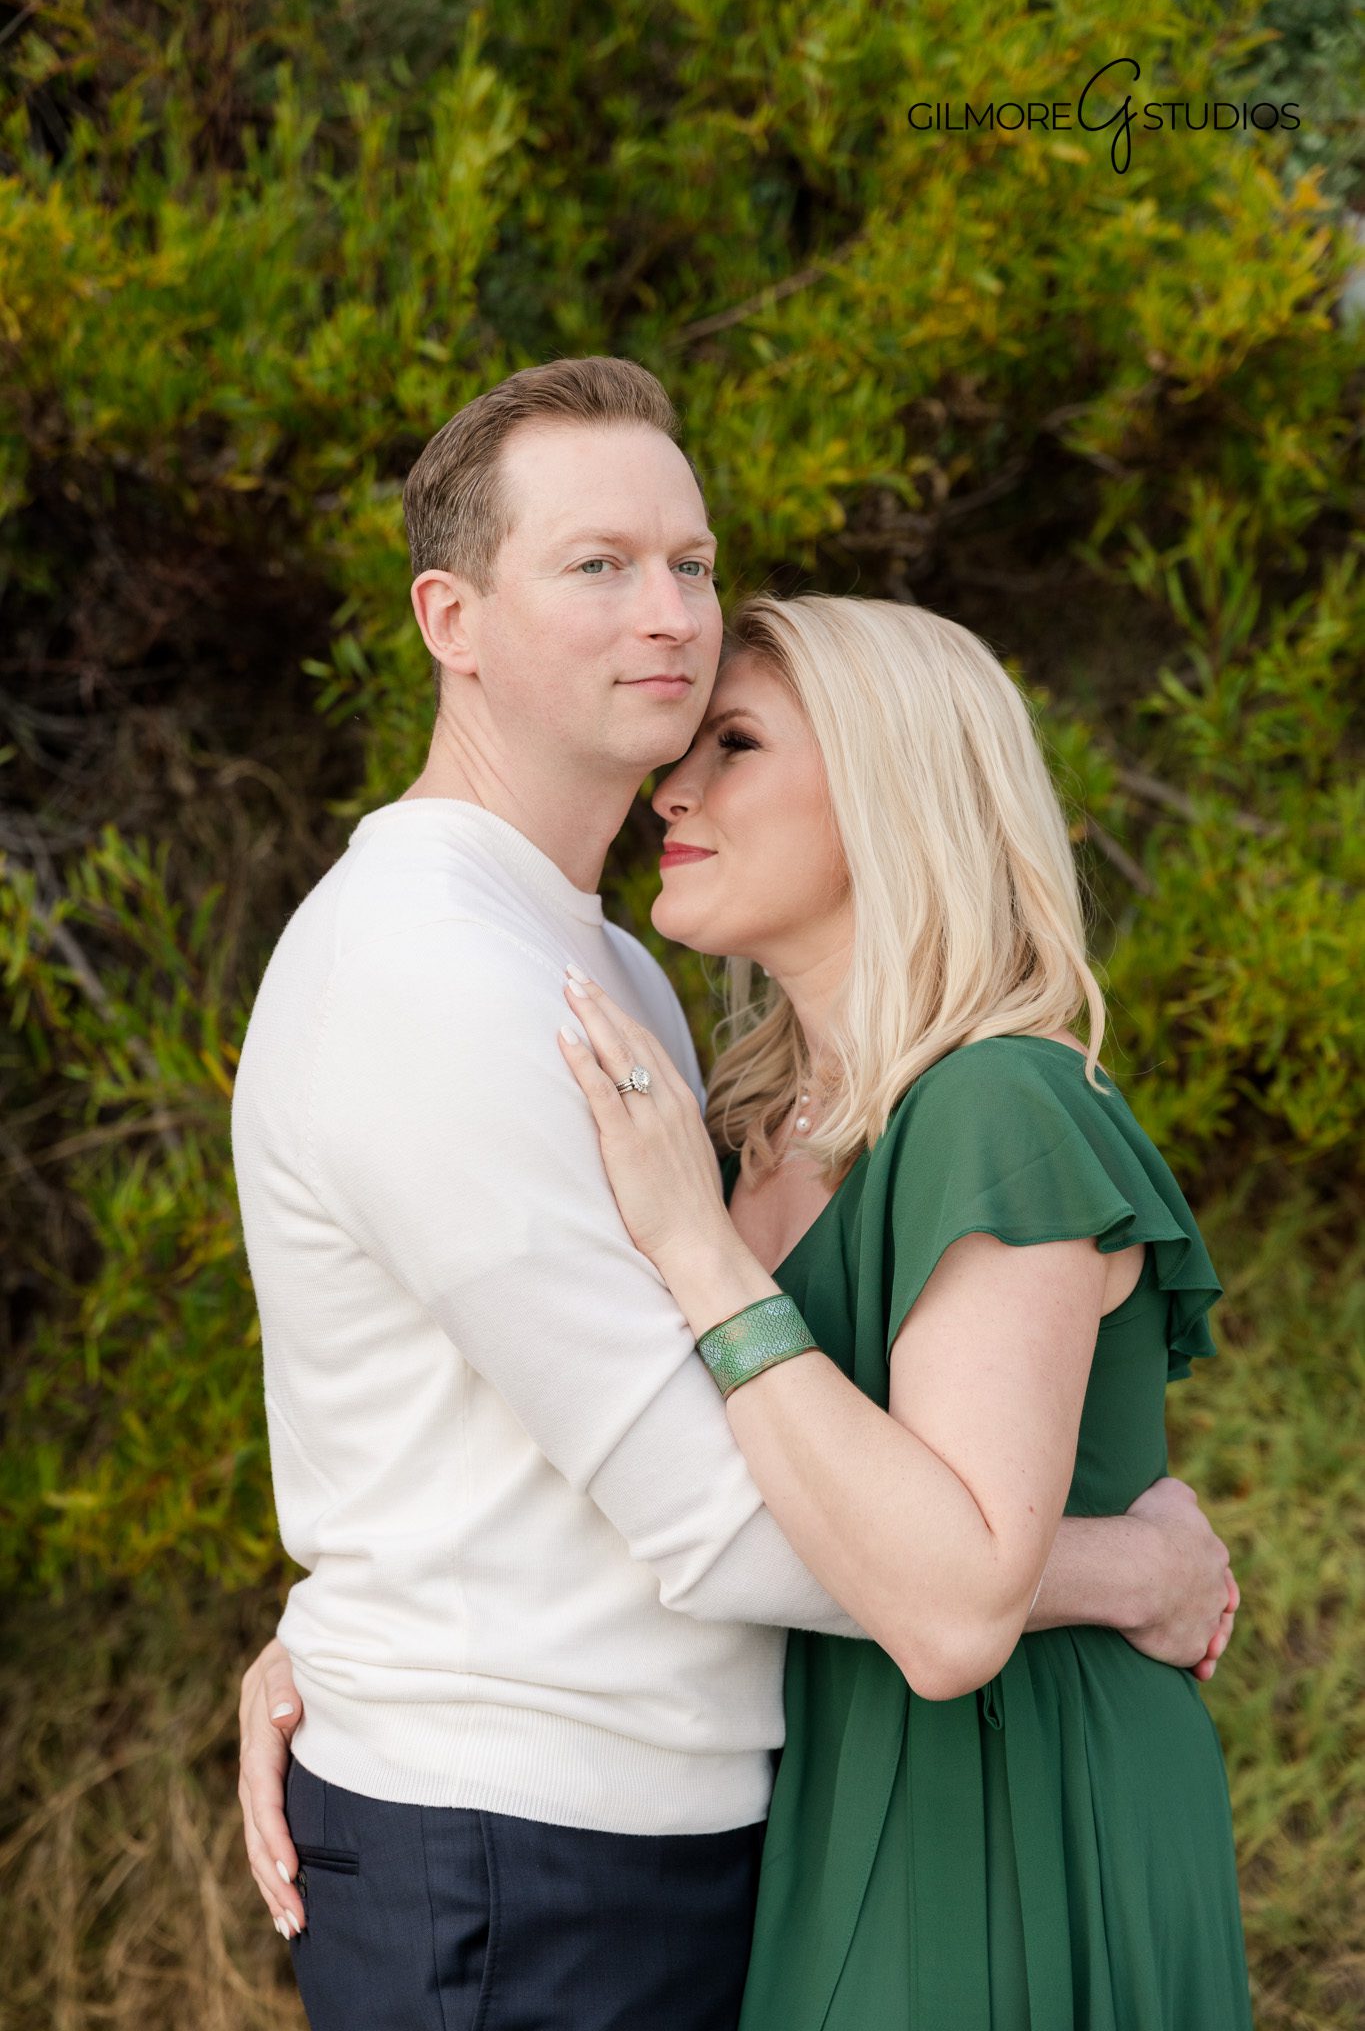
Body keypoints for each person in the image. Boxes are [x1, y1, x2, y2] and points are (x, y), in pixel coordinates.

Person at [231, 357, 1238, 2031]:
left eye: (688, 564)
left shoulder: (614, 967)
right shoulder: (428, 968)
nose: (669, 615)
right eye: (597, 565)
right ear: (450, 621)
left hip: (716, 1826)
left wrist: (344, 1619)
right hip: (527, 1852)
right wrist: (1116, 1570)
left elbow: (597, 1413)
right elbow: (702, 1504)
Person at [554, 590, 1253, 2029]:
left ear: (890, 790)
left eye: (733, 742)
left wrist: (699, 1257)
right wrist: (331, 1646)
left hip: (1008, 1799)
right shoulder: (732, 1123)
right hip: (806, 1790)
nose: (669, 787)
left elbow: (947, 1618)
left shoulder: (1002, 1105)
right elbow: (620, 1469)